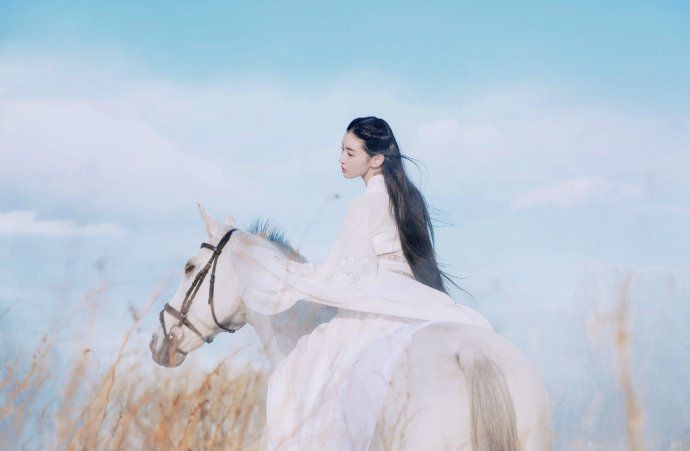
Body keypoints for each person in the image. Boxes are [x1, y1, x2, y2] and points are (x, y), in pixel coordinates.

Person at [229, 117, 494, 450]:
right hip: (418, 297)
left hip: (378, 300)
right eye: (341, 149)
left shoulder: (364, 204)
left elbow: (343, 273)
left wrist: (284, 272)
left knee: (300, 368)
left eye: (351, 153)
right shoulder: (409, 200)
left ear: (377, 159)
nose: (341, 159)